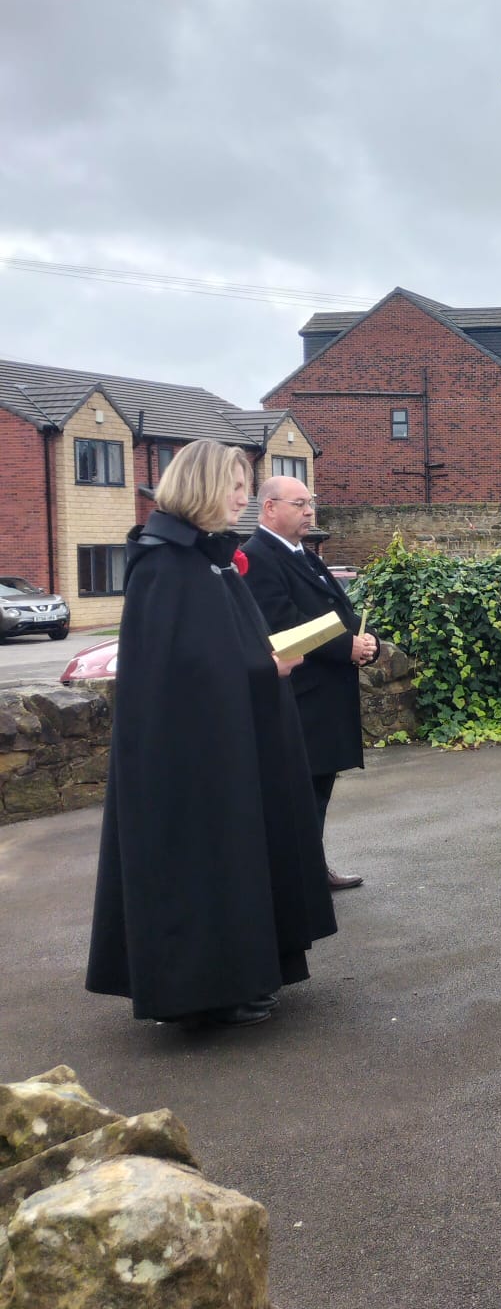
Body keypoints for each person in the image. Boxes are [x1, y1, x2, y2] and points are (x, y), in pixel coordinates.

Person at [87, 440, 336, 1028]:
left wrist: (259, 659)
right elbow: (175, 670)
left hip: (226, 739)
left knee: (237, 855)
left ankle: (247, 975)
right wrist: (261, 665)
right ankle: (208, 990)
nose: (244, 500)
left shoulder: (205, 557)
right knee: (205, 862)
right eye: (234, 487)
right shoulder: (165, 562)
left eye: (246, 488)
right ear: (200, 486)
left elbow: (219, 644)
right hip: (189, 755)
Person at [241, 477, 377, 890]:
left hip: (324, 696)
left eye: (311, 503)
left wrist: (363, 637)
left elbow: (332, 608)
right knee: (298, 795)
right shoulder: (257, 557)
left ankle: (311, 869)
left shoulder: (301, 552)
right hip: (299, 698)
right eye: (299, 504)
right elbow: (283, 626)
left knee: (316, 791)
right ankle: (297, 879)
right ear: (269, 508)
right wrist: (344, 647)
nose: (309, 511)